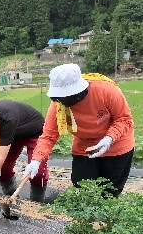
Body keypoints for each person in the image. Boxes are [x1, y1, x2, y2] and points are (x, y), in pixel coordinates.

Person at [23, 63, 134, 197]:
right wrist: (36, 160)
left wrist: (109, 139)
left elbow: (124, 119)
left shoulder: (106, 91)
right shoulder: (59, 104)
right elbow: (49, 135)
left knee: (109, 192)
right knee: (82, 188)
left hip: (116, 146)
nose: (64, 101)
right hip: (84, 147)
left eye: (68, 96)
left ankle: (103, 219)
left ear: (80, 91)